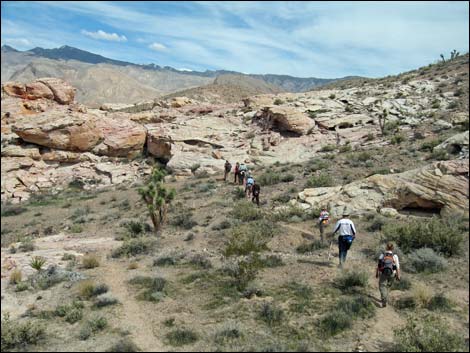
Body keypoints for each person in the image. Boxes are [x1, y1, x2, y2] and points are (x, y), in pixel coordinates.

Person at [376, 242, 400, 308]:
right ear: (393, 248)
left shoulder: (382, 255)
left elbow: (379, 265)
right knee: (388, 286)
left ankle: (384, 299)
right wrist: (398, 275)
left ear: (386, 247)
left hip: (383, 273)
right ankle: (385, 297)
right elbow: (397, 267)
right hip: (392, 273)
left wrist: (377, 273)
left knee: (382, 285)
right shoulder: (395, 256)